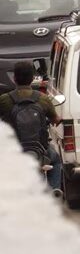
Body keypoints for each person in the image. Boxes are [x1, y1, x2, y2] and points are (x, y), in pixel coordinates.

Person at [0, 60, 62, 193]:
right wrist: (58, 119)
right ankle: (54, 191)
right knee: (56, 162)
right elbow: (55, 119)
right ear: (33, 78)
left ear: (15, 79)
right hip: (40, 149)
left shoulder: (4, 100)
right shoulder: (43, 99)